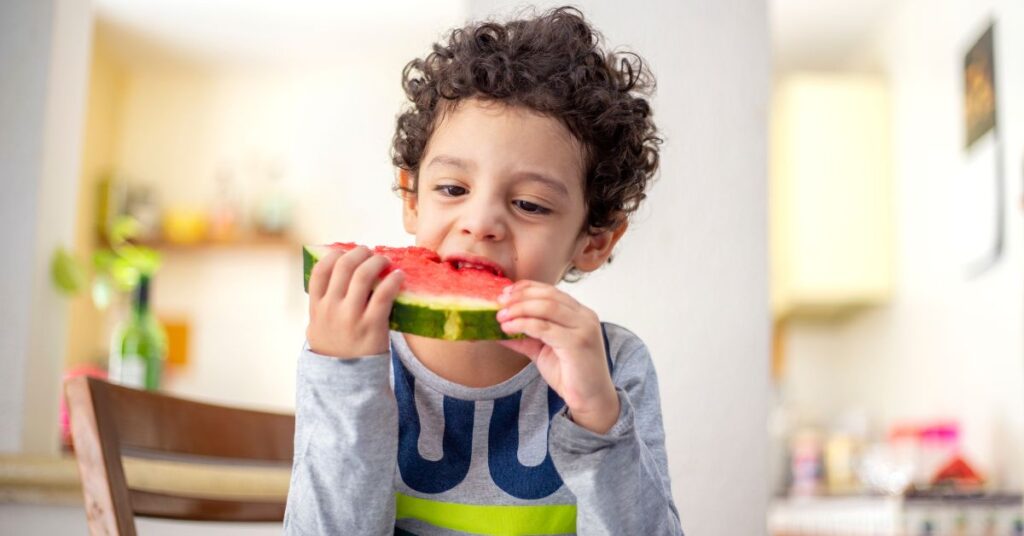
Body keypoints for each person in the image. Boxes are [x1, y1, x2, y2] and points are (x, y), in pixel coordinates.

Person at [285, 6, 683, 535]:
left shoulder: (613, 365)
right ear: (412, 199)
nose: (480, 223)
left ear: (594, 240)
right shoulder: (356, 354)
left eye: (531, 204)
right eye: (453, 190)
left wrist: (598, 420)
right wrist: (345, 380)